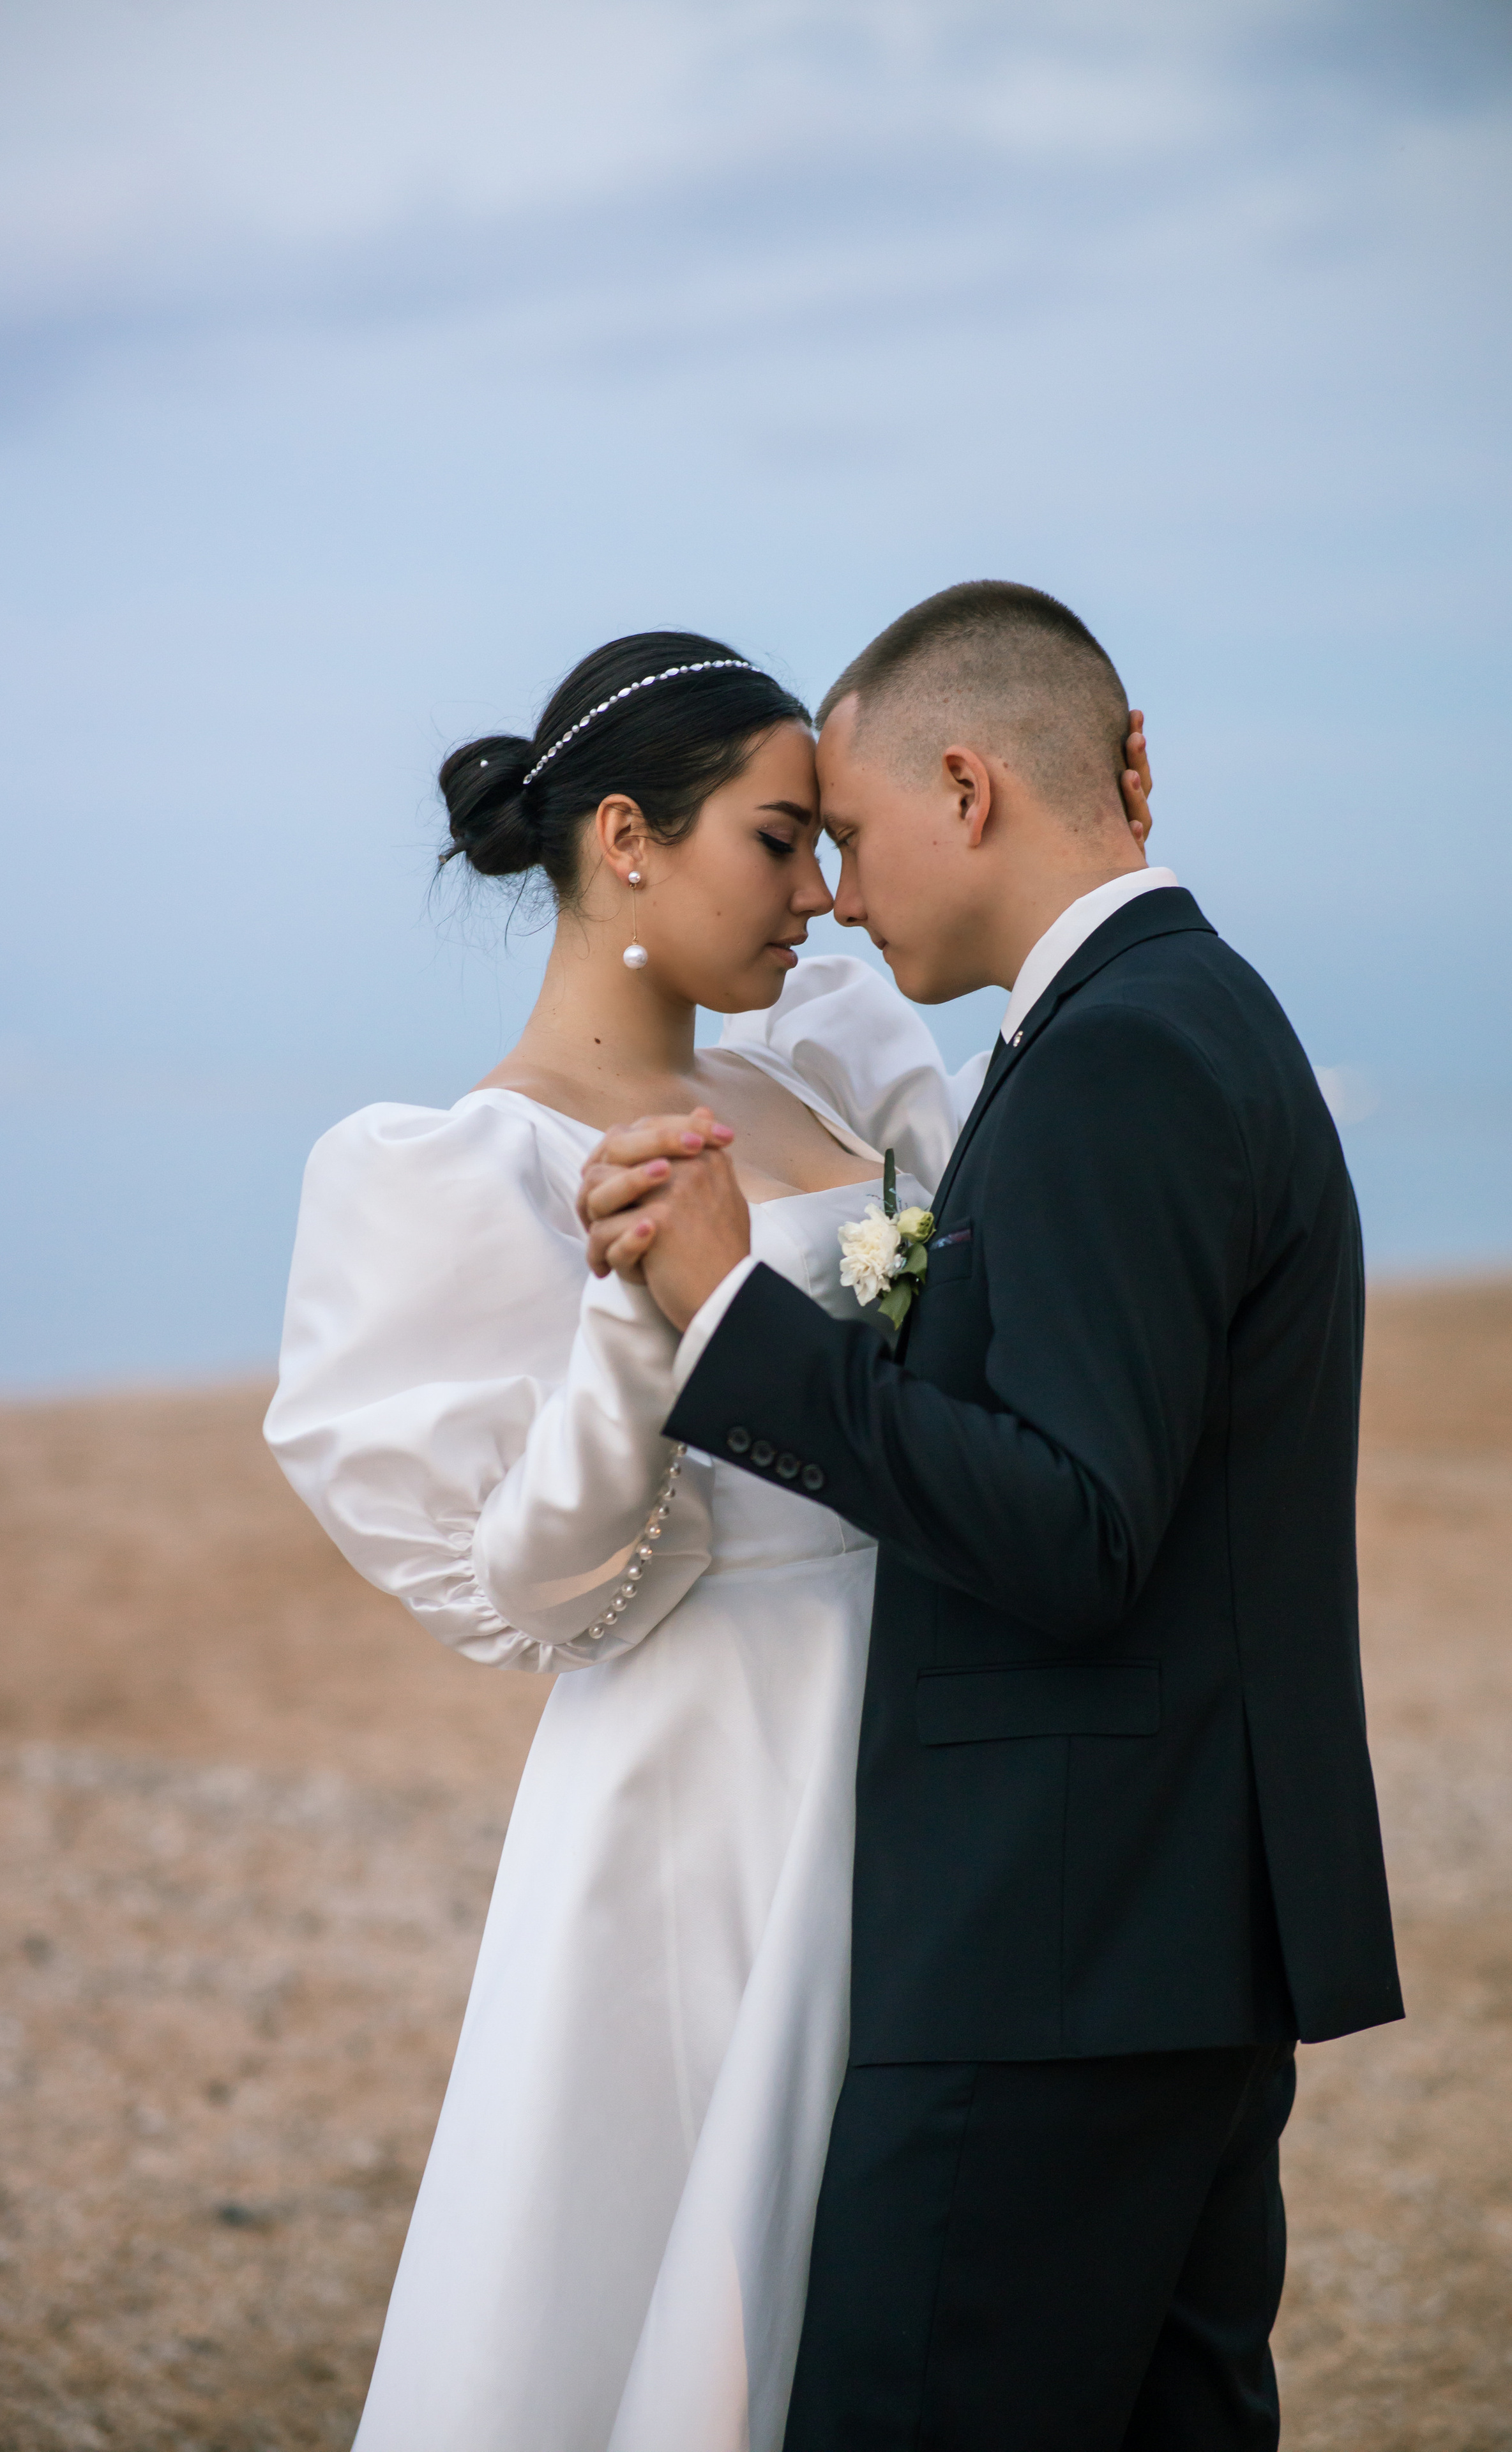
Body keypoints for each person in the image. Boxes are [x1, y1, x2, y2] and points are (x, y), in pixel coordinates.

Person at [264, 630, 1153, 2449]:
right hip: (700, 1780)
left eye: (831, 845)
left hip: (926, 1743)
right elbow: (537, 1594)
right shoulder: (460, 1171)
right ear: (625, 841)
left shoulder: (830, 1077)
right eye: (781, 841)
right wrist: (643, 1320)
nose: (824, 897)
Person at [581, 582, 1403, 2451]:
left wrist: (731, 1319)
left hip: (1057, 1947)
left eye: (853, 839)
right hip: (1157, 1928)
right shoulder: (1183, 1015)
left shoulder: (1119, 1055)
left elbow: (1074, 1525)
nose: (841, 901)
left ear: (969, 788)